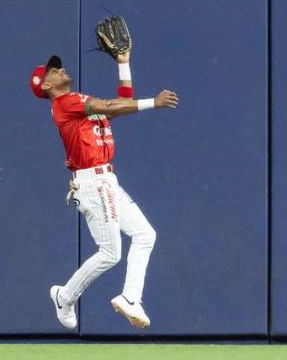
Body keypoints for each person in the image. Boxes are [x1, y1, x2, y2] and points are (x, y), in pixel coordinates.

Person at [29, 48, 178, 330]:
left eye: (58, 67)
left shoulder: (78, 106)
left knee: (146, 234)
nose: (60, 70)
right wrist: (153, 103)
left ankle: (131, 298)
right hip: (92, 182)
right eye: (53, 70)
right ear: (46, 85)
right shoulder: (65, 103)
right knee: (111, 253)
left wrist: (123, 64)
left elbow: (120, 103)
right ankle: (65, 296)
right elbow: (111, 107)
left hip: (106, 180)